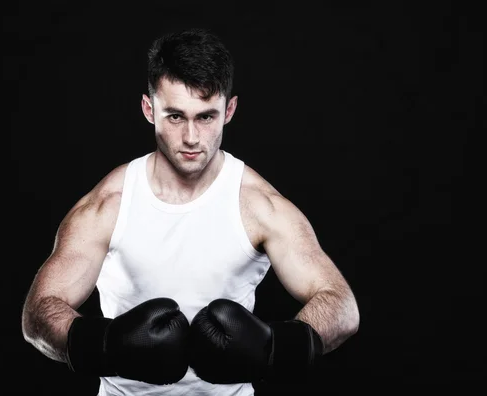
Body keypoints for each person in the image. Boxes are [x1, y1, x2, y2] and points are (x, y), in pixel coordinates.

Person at [21, 27, 360, 395]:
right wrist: (108, 348)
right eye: (176, 117)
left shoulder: (259, 205)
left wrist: (273, 349)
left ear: (229, 110)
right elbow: (39, 313)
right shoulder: (108, 205)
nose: (192, 138)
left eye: (206, 117)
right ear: (149, 109)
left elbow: (341, 306)